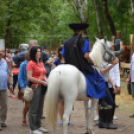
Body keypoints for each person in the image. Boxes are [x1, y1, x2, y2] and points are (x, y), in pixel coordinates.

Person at [62, 23, 106, 101]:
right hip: (81, 67)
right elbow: (85, 55)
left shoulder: (66, 42)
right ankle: (99, 99)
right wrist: (91, 61)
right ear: (81, 31)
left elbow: (63, 55)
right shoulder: (85, 41)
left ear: (74, 31)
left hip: (68, 68)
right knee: (100, 79)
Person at [27, 46, 48, 134]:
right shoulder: (30, 63)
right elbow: (29, 77)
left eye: (40, 51)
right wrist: (41, 82)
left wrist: (46, 80)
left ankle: (39, 126)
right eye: (37, 51)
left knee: (40, 107)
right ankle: (33, 128)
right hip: (35, 87)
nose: (39, 53)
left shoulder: (41, 63)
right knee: (34, 108)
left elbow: (43, 74)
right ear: (34, 53)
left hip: (42, 87)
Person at [51, 45, 74, 126]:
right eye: (61, 50)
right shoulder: (56, 61)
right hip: (60, 84)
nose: (63, 52)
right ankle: (61, 120)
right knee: (61, 102)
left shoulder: (70, 60)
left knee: (69, 102)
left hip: (70, 84)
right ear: (59, 52)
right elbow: (52, 71)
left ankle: (68, 120)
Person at [0, 51, 13, 131]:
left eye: (1, 51)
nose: (0, 53)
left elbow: (8, 73)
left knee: (4, 105)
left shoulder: (4, 61)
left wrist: (10, 84)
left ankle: (2, 121)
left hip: (4, 87)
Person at [18, 51, 30, 126]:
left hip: (35, 87)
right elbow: (20, 77)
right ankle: (24, 117)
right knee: (27, 105)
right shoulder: (23, 64)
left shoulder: (36, 63)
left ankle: (32, 119)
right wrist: (22, 88)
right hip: (26, 87)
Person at [126, 52, 134, 117]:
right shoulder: (133, 54)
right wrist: (128, 78)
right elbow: (131, 67)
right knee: (133, 96)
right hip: (133, 79)